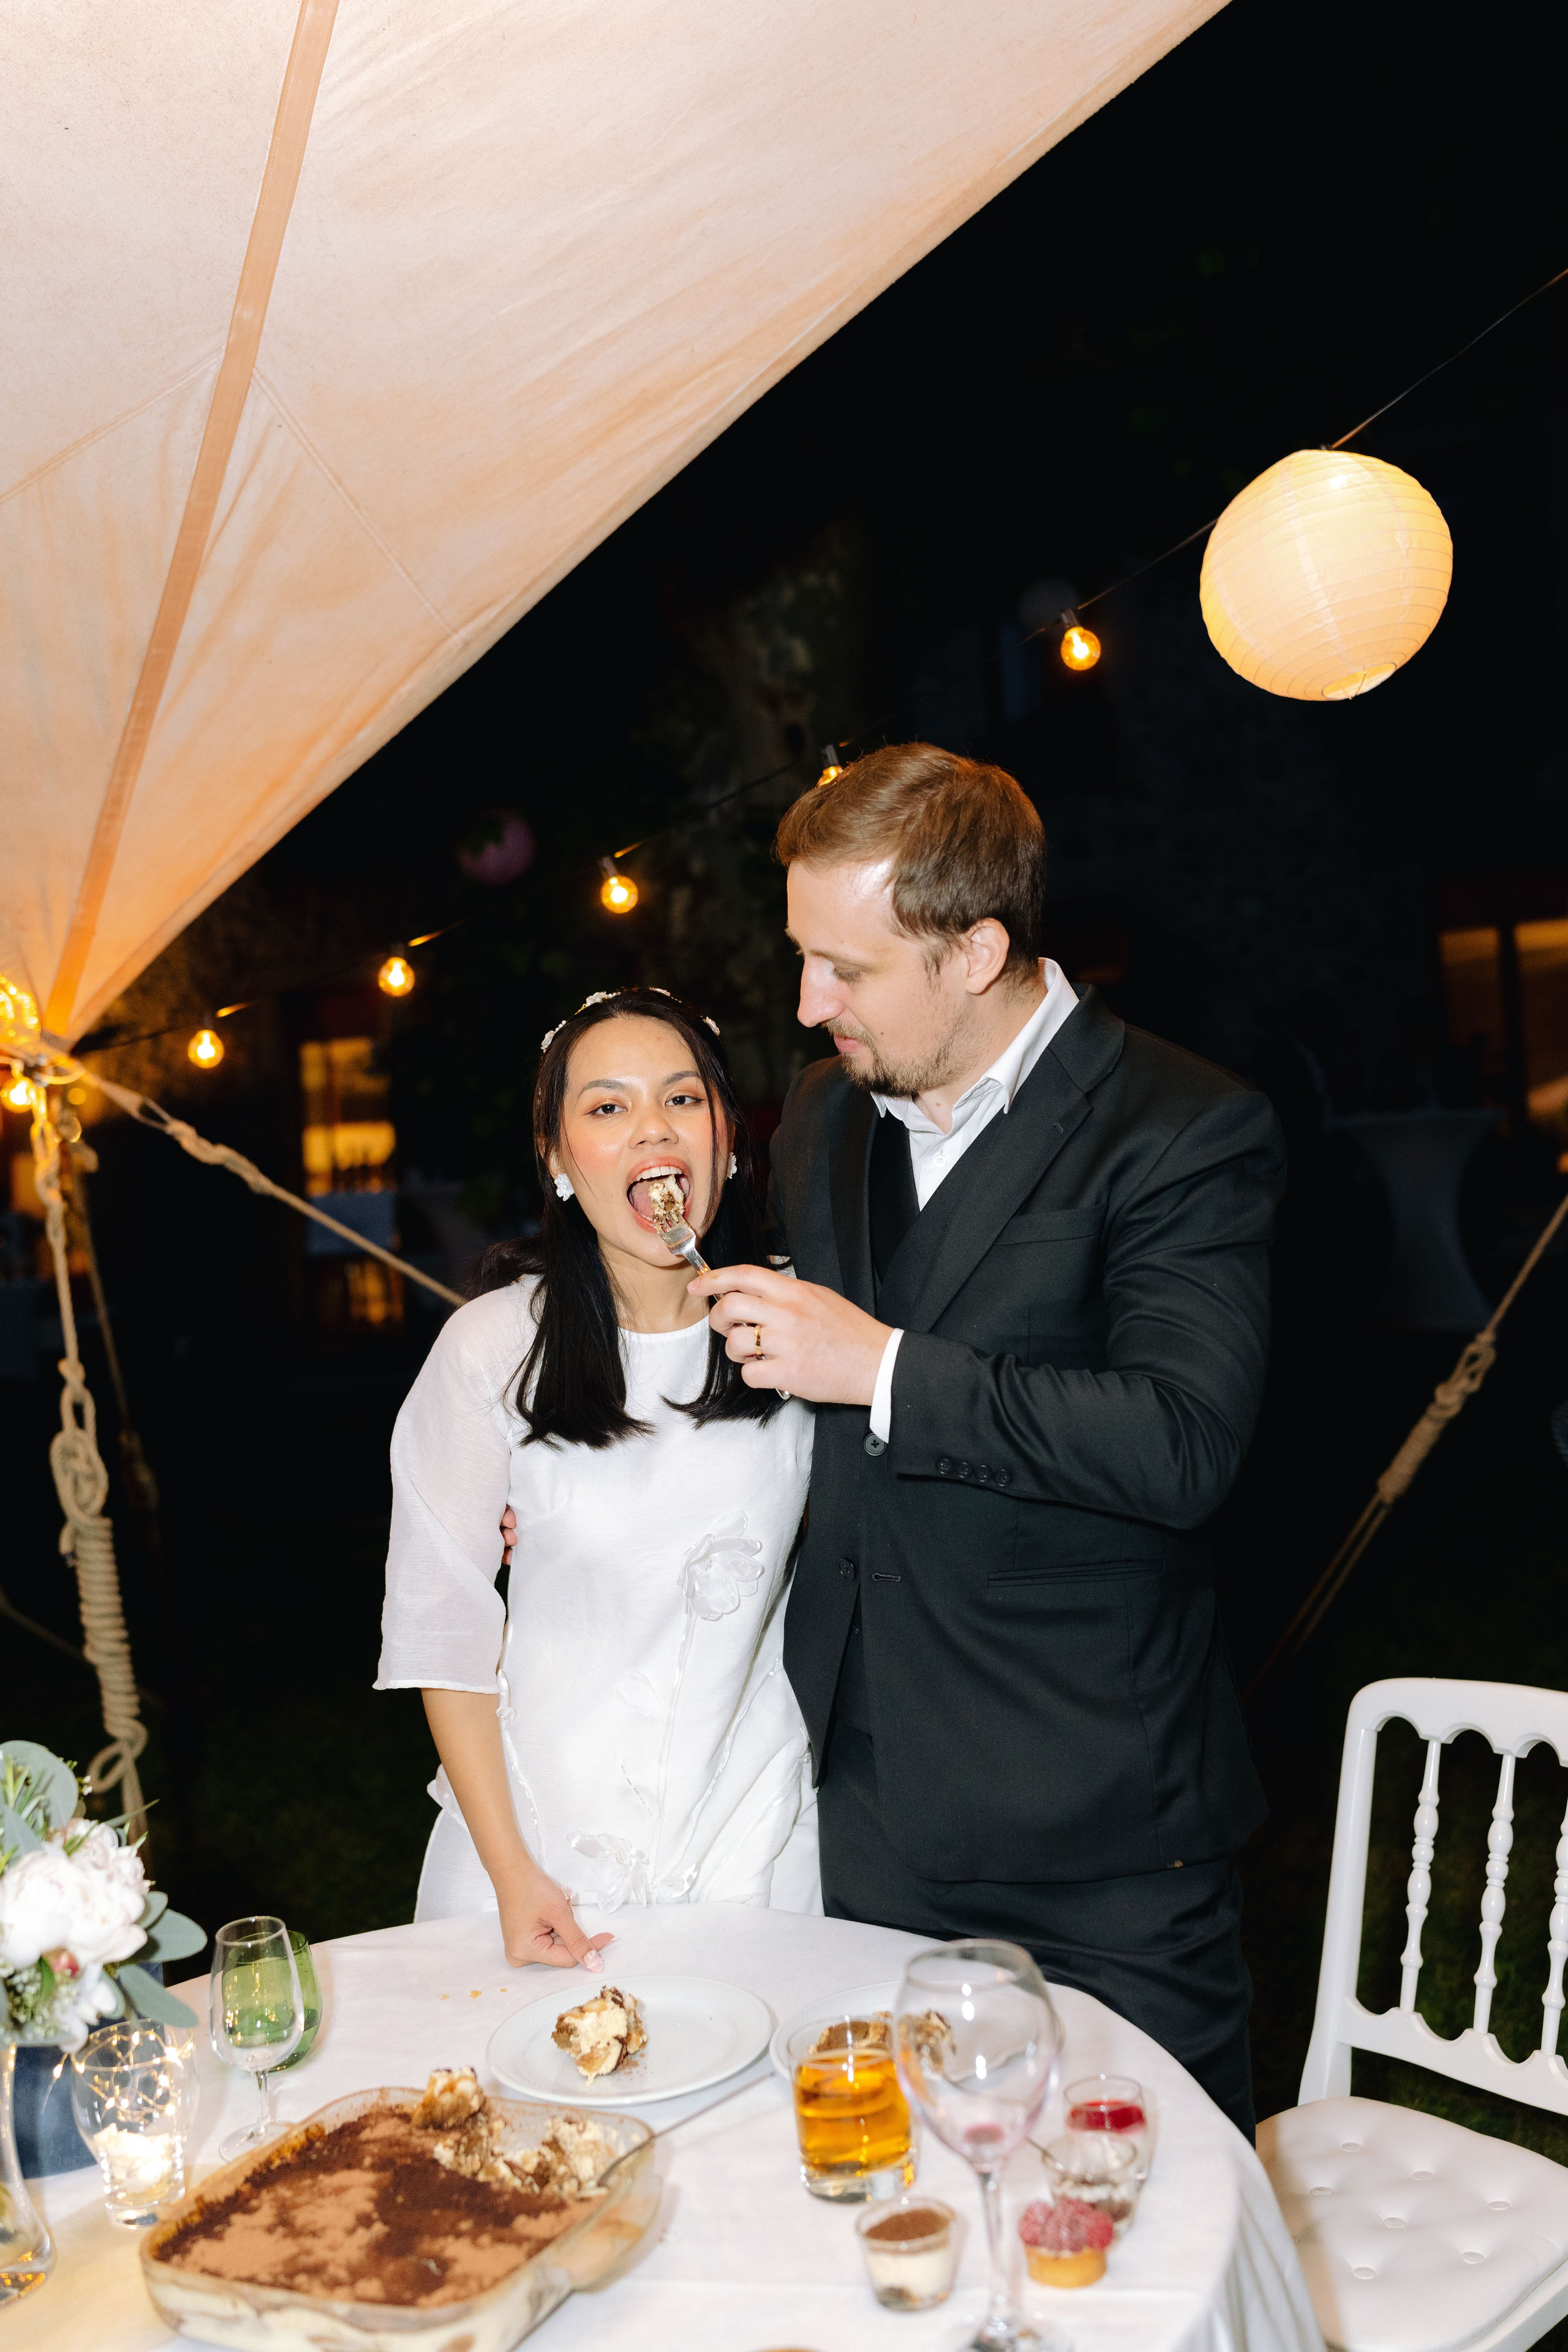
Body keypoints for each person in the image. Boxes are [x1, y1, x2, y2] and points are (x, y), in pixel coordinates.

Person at [693, 743, 1284, 2134]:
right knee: (903, 2212)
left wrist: (886, 1369)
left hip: (1102, 1838)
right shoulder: (823, 1115)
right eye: (802, 957)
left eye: (845, 968)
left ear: (976, 952)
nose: (806, 1003)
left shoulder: (1183, 1127)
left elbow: (1184, 1442)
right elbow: (788, 1376)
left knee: (1147, 2215)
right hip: (861, 1812)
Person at [377, 987, 819, 1970]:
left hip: (757, 1836)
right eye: (608, 1107)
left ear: (728, 1142)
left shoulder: (801, 1321)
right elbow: (443, 1631)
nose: (653, 1130)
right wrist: (512, 1872)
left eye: (683, 1099)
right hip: (540, 1849)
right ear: (558, 1159)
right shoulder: (493, 1348)